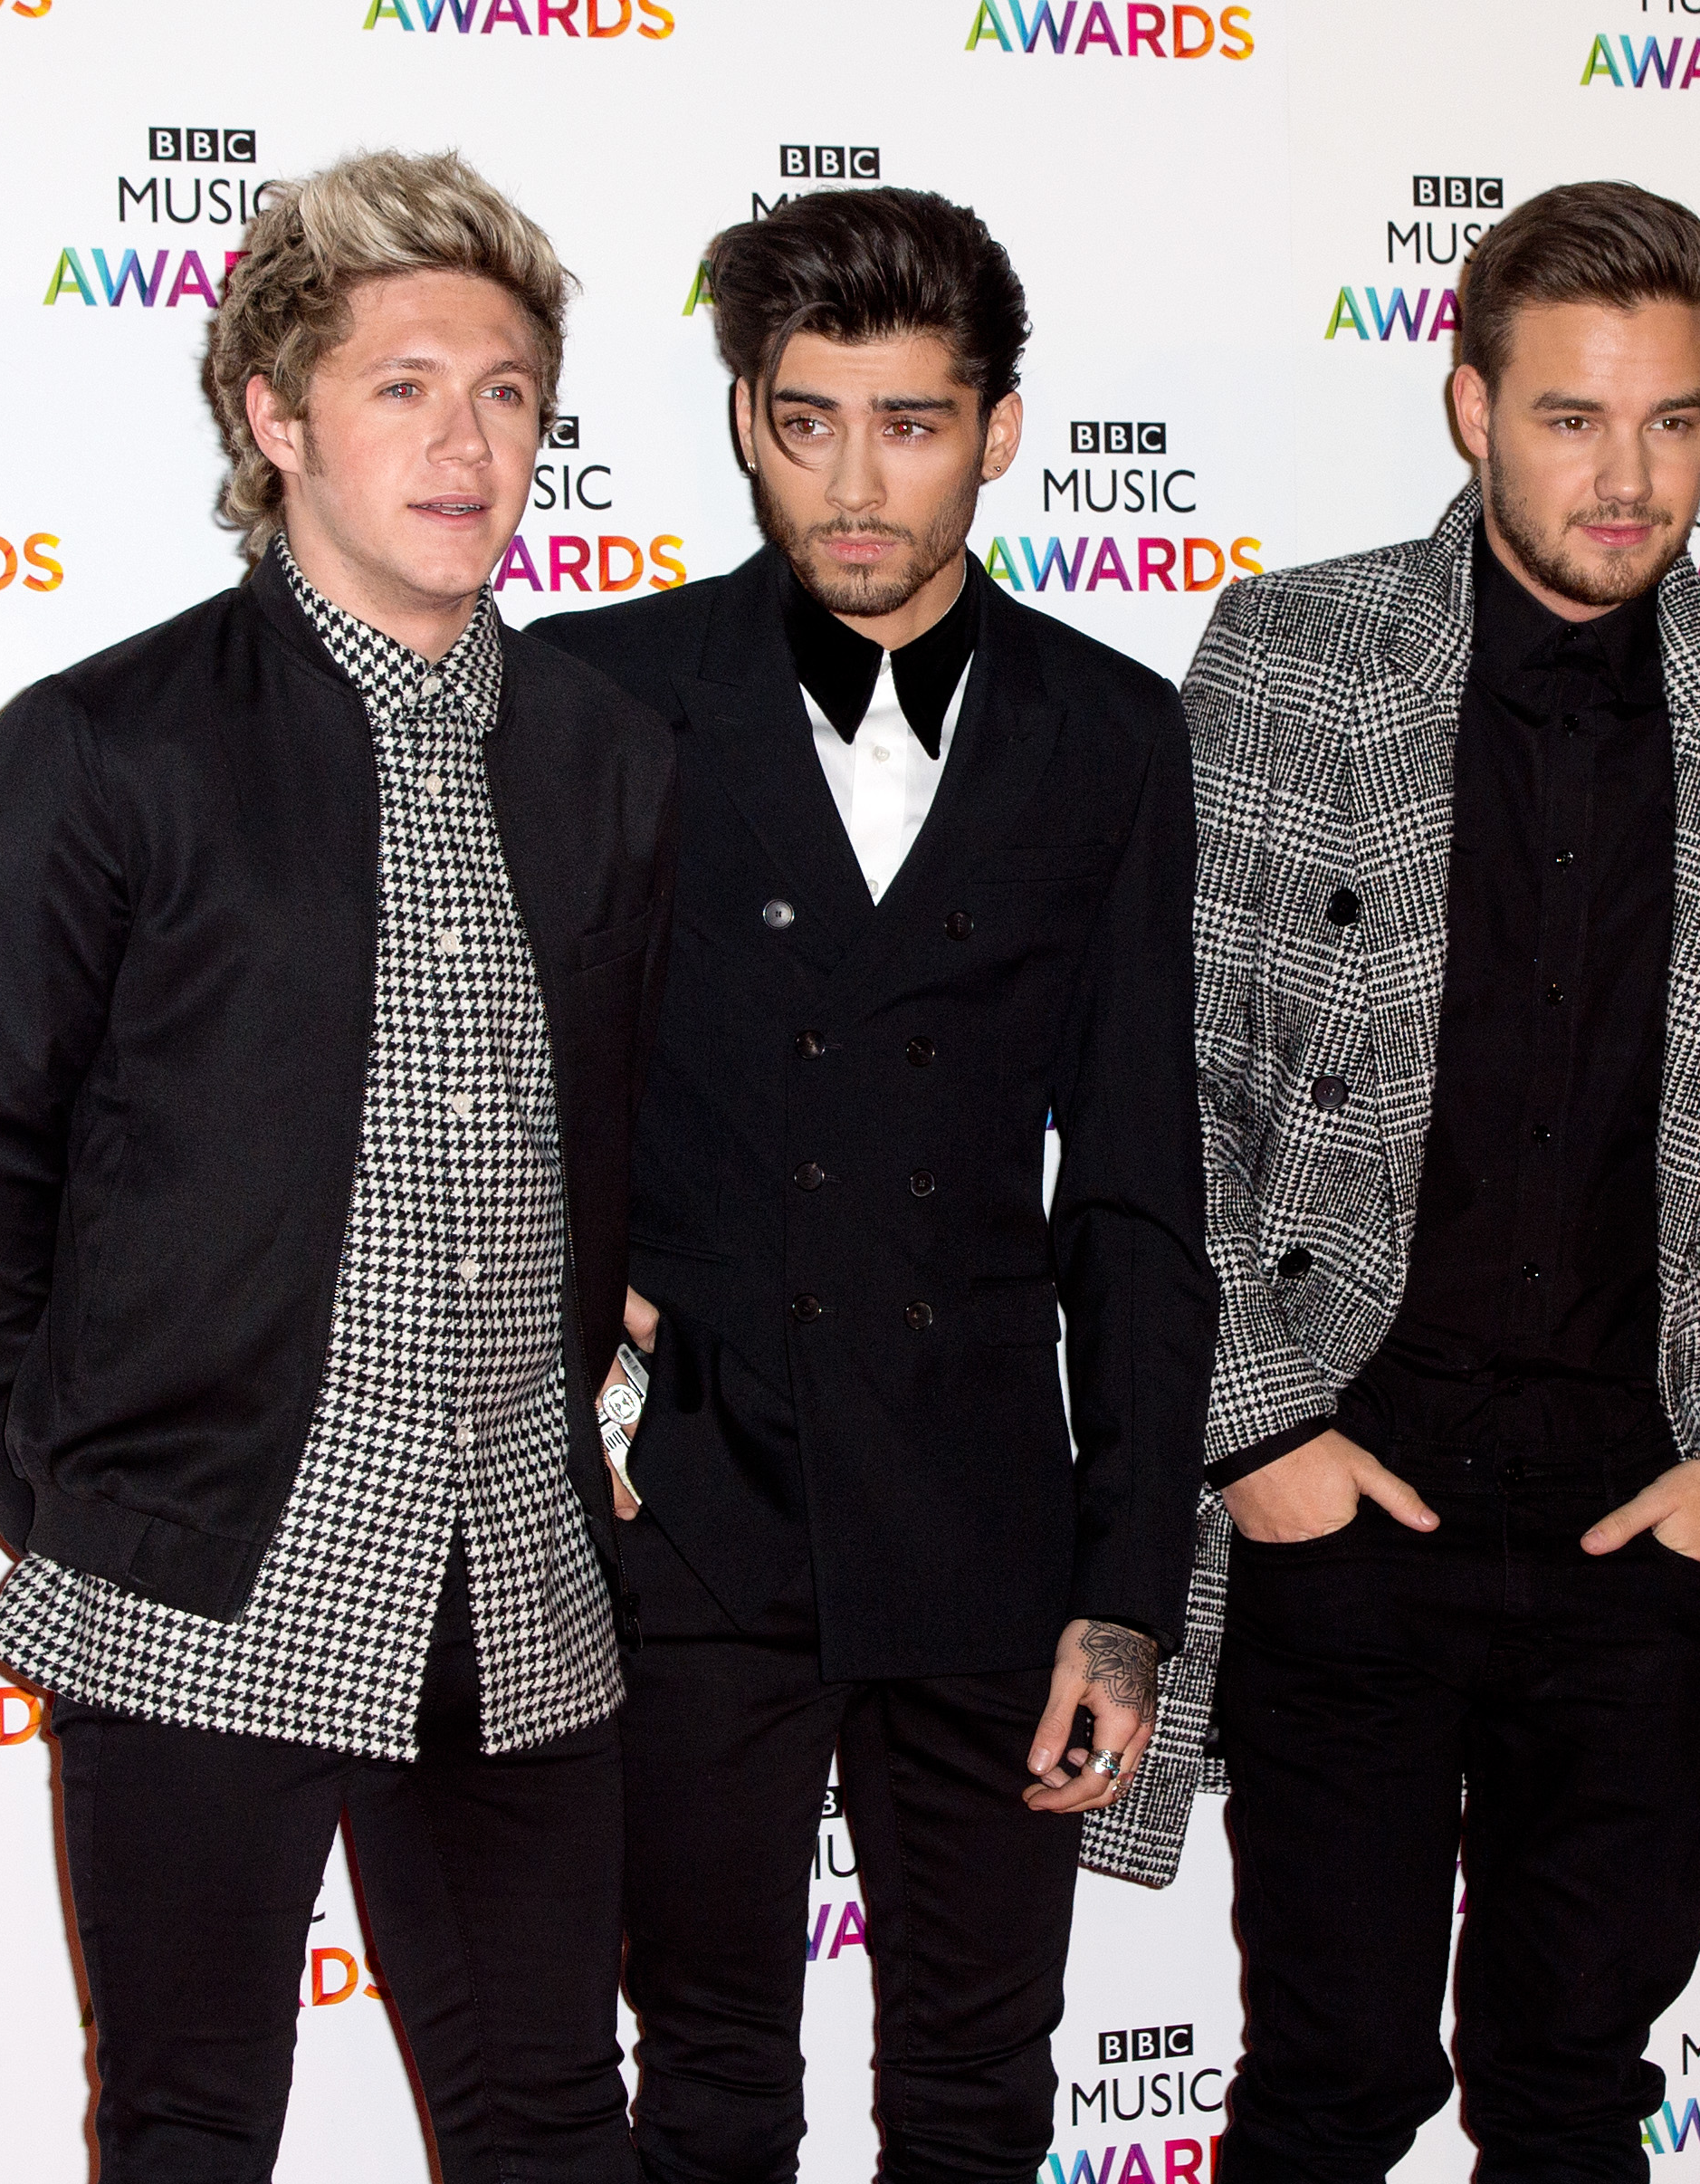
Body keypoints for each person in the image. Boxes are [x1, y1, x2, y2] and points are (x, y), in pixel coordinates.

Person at [0, 151, 670, 2184]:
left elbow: (636, 1113)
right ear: (273, 415)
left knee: (550, 2117)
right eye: (398, 384)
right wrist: (76, 1481)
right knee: (191, 2123)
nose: (461, 439)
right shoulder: (104, 747)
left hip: (517, 1558)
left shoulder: (604, 755)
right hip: (201, 1564)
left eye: (502, 391)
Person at [1084, 179, 1700, 2181]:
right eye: (1571, 418)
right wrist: (1257, 1428)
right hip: (1354, 1494)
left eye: (1673, 421)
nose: (1627, 478)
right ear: (1469, 406)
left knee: (1573, 2095)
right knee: (1327, 2086)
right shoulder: (1291, 650)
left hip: (1642, 1512)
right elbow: (1161, 1072)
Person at [530, 187, 1211, 2184]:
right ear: (744, 414)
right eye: (806, 417)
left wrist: (1124, 1595)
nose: (852, 478)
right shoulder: (595, 696)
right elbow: (480, 1100)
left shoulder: (1112, 728)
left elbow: (1140, 1191)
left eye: (908, 423)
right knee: (712, 2073)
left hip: (982, 1519)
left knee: (984, 2081)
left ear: (999, 430)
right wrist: (585, 1361)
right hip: (688, 1523)